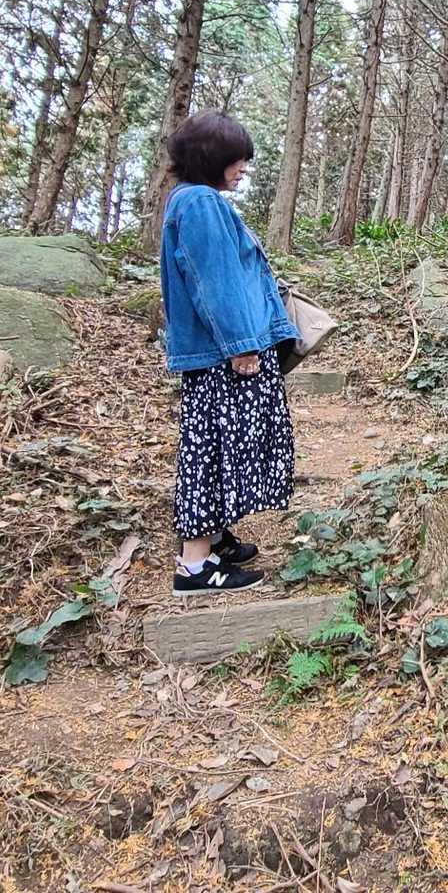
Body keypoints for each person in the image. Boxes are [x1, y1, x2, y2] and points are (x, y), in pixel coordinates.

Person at [159, 112, 299, 595]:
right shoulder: (200, 203)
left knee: (220, 445)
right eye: (237, 159)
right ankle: (195, 565)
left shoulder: (194, 201)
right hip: (222, 355)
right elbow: (215, 282)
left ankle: (213, 539)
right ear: (211, 157)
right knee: (212, 450)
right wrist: (242, 345)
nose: (243, 168)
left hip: (216, 352)